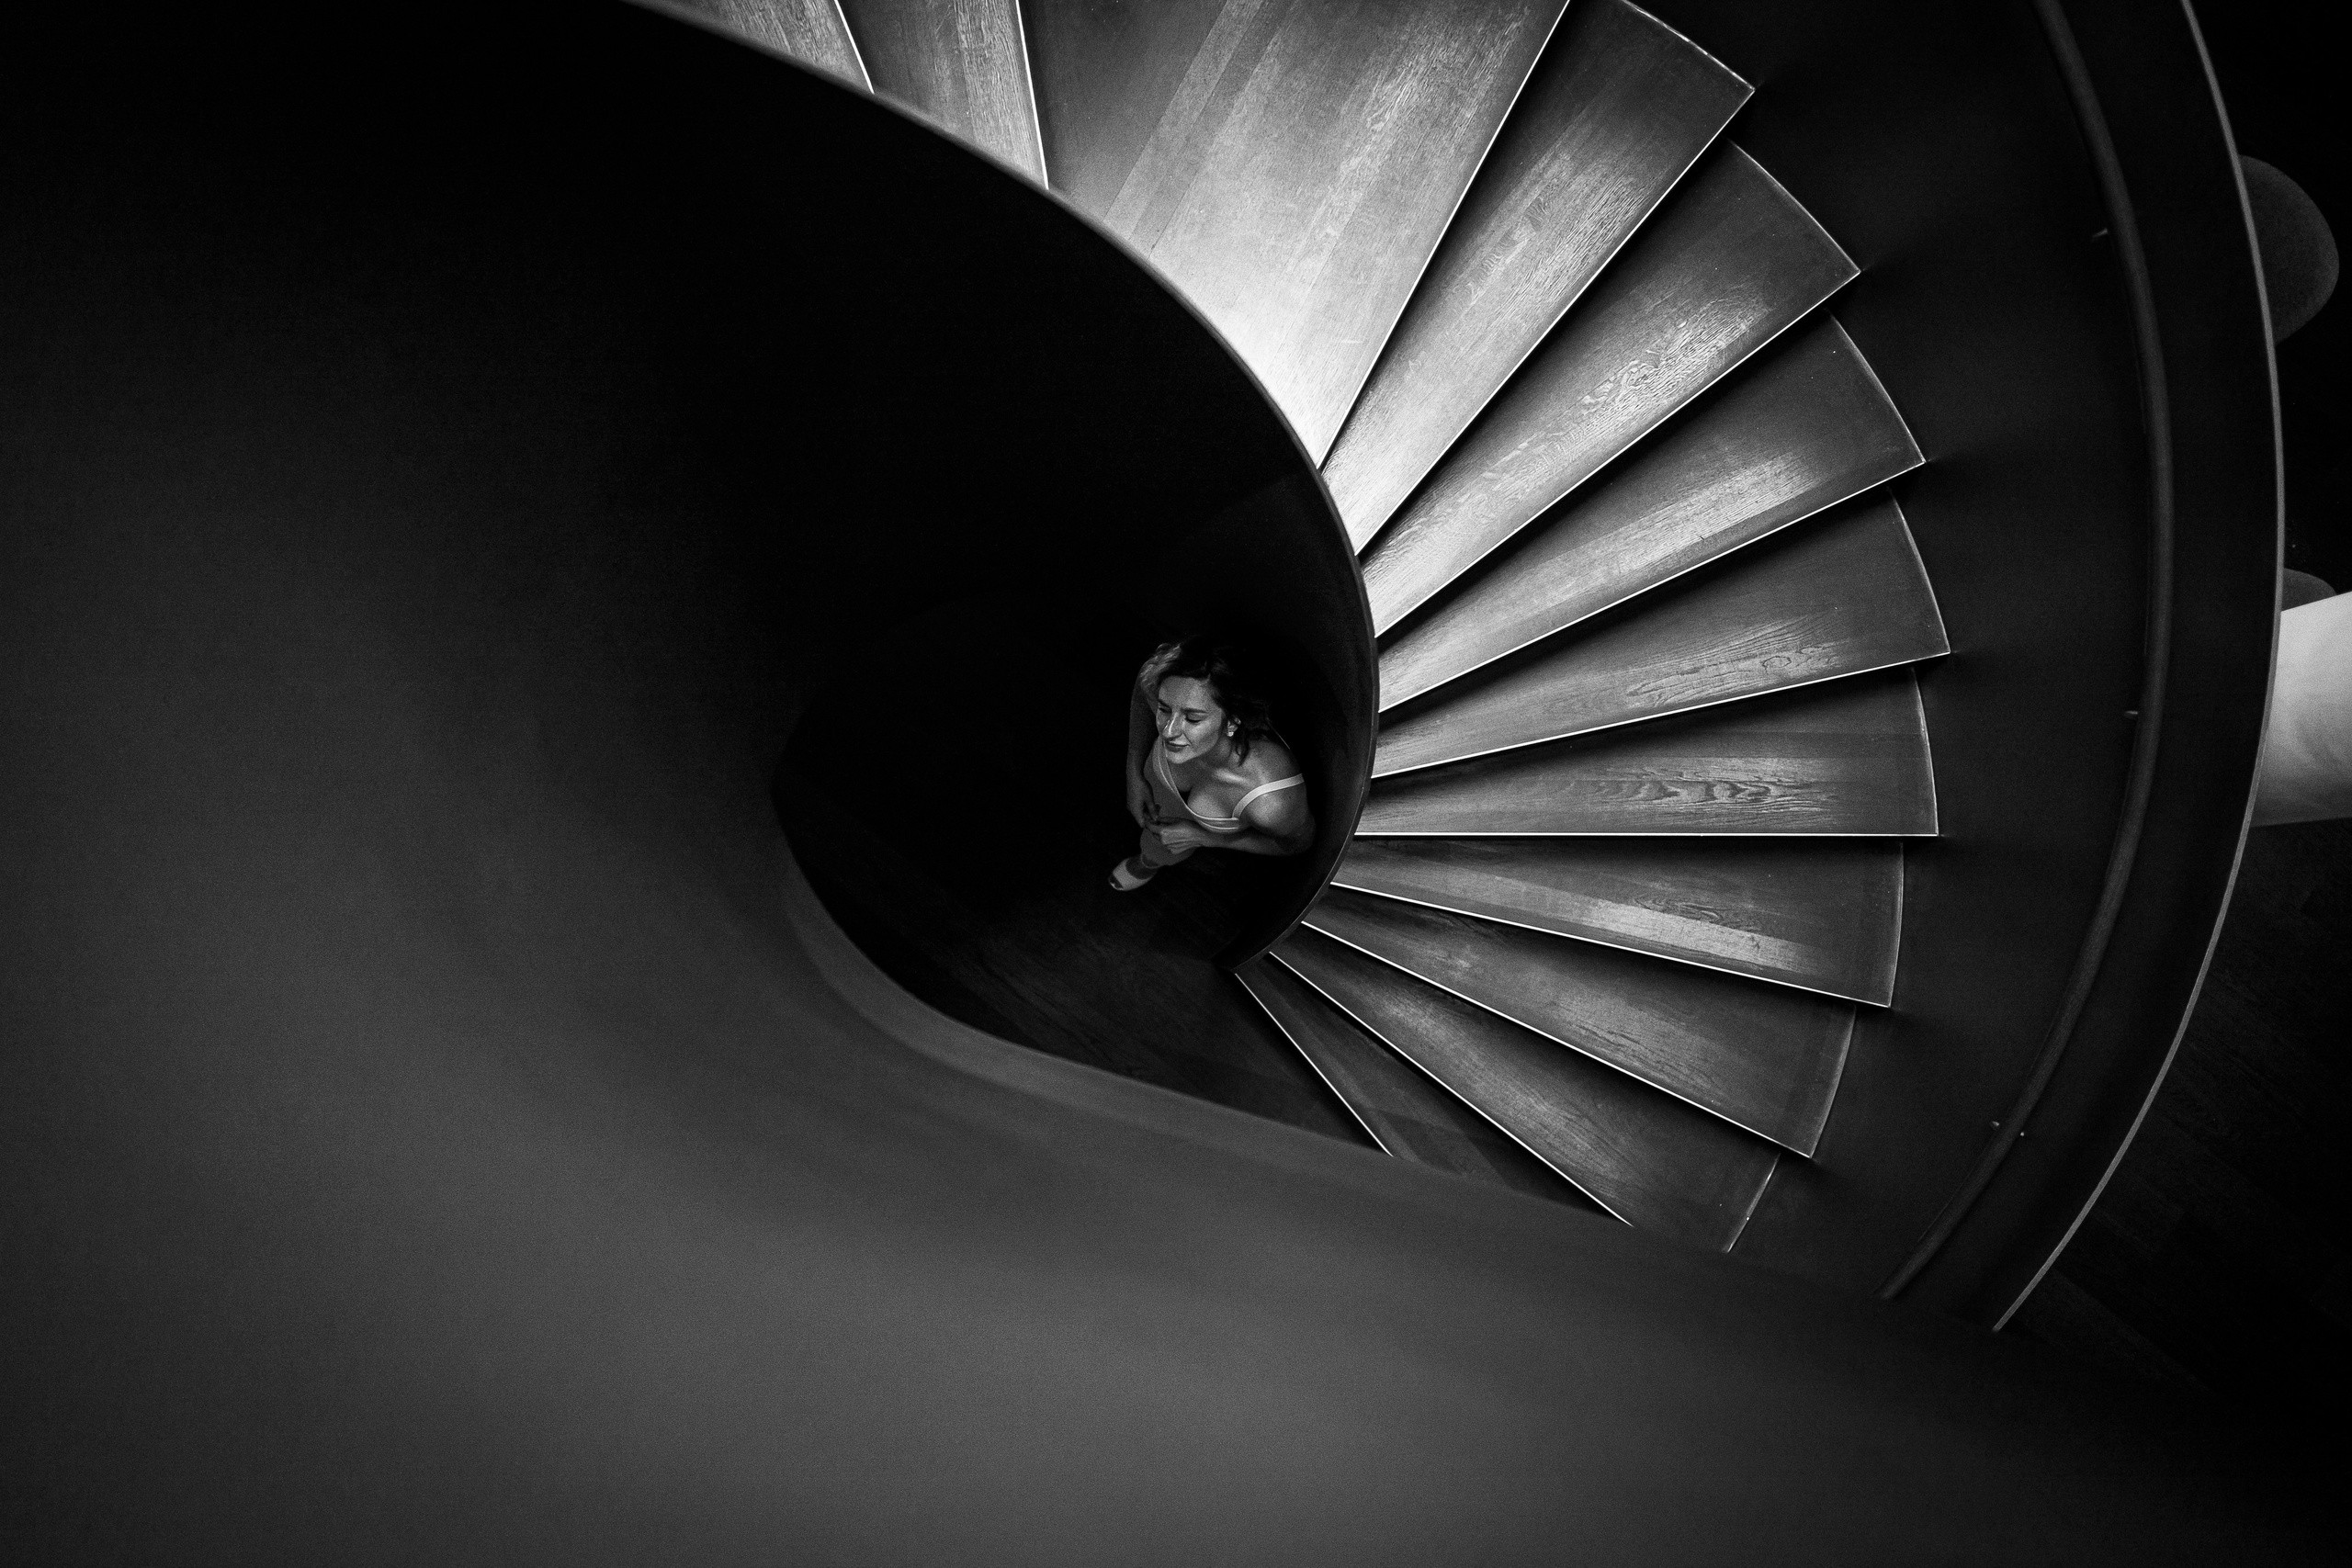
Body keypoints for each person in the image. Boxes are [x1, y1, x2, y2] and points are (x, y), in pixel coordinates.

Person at [1113, 637, 1314, 891]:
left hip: (1191, 838)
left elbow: (1298, 844)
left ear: (1232, 721)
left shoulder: (1272, 801)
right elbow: (1144, 692)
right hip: (1157, 803)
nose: (1168, 731)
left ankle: (1149, 862)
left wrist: (1203, 837)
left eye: (1193, 719)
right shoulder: (1175, 695)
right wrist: (1134, 774)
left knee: (1162, 851)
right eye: (1164, 710)